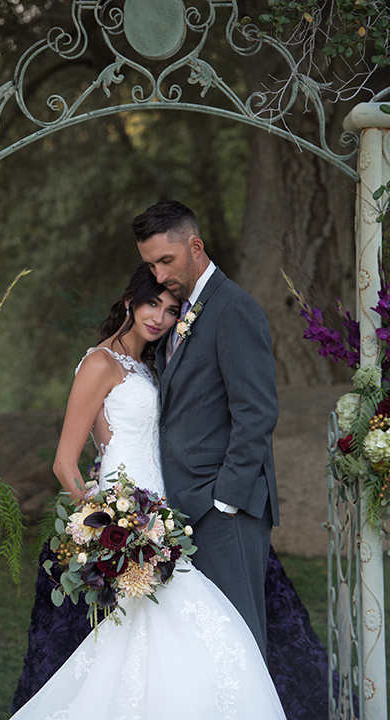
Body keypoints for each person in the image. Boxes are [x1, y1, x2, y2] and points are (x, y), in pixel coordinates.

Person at [9, 262, 287, 720]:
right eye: (151, 304)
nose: (159, 317)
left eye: (171, 309)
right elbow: (65, 462)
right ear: (129, 303)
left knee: (167, 635)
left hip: (163, 519)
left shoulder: (150, 366)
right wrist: (103, 528)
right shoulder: (100, 363)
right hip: (131, 519)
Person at [134, 200, 278, 656]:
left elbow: (256, 412)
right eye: (150, 265)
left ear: (195, 246)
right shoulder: (185, 311)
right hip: (183, 508)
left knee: (239, 644)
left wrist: (226, 501)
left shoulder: (234, 308)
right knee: (202, 651)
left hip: (223, 510)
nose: (158, 276)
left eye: (165, 261)